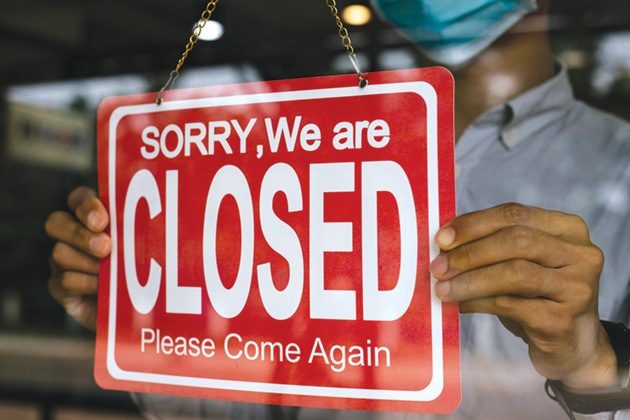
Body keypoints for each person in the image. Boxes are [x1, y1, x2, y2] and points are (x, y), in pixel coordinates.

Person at [45, 0, 630, 418]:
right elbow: (262, 397)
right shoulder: (306, 153)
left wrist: (593, 368)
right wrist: (149, 335)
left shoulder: (619, 172)